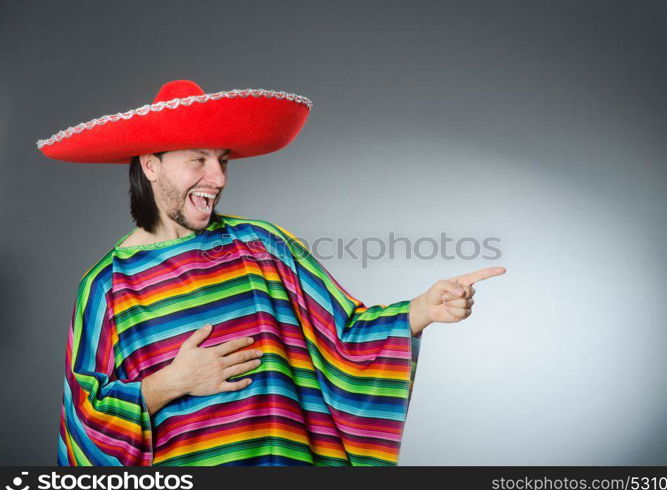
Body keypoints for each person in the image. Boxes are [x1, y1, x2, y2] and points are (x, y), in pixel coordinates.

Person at [38, 79, 506, 466]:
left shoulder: (266, 245)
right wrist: (172, 383)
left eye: (222, 161)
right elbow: (84, 423)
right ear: (151, 165)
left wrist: (421, 310)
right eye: (198, 160)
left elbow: (343, 334)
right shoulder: (107, 286)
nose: (218, 178)